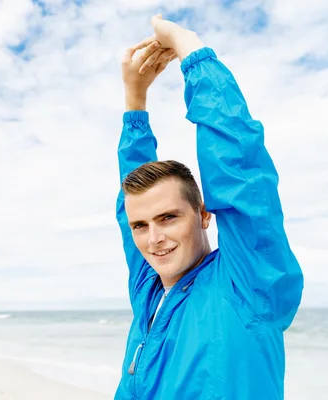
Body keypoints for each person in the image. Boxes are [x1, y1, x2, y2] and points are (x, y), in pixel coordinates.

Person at [114, 15, 304, 399]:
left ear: (204, 215)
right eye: (141, 226)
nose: (154, 239)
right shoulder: (148, 288)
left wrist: (192, 53)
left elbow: (241, 177)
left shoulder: (247, 285)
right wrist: (135, 101)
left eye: (169, 218)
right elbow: (132, 201)